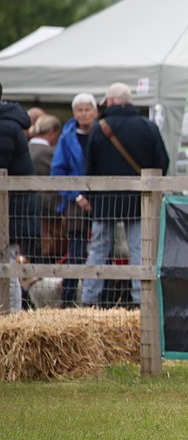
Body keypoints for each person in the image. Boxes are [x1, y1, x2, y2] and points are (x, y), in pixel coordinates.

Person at [82, 82, 170, 307]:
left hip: (104, 201)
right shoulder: (148, 127)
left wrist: (89, 197)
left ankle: (88, 302)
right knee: (140, 253)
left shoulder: (99, 128)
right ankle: (141, 303)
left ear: (110, 102)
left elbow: (89, 168)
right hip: (138, 202)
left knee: (98, 253)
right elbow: (162, 163)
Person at [51, 92, 99, 304]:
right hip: (75, 203)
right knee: (77, 251)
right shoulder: (66, 138)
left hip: (101, 200)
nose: (84, 114)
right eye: (79, 110)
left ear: (95, 112)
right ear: (73, 113)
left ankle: (100, 298)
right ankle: (68, 298)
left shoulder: (103, 134)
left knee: (102, 250)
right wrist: (76, 195)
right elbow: (58, 172)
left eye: (87, 109)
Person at [0, 82, 36, 261]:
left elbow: (2, 166)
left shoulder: (4, 126)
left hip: (9, 207)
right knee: (8, 261)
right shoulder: (9, 123)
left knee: (7, 261)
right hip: (13, 205)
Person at [29, 115, 62, 264]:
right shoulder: (48, 153)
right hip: (47, 207)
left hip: (30, 204)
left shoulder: (27, 148)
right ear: (53, 132)